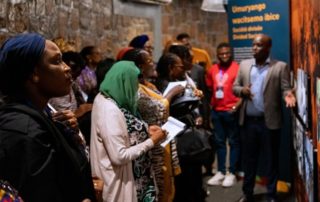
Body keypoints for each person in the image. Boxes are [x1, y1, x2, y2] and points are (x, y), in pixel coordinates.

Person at [0, 33, 96, 202]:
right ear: (33, 74)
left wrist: (70, 134)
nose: (67, 68)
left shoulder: (43, 114)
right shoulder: (25, 132)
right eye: (57, 61)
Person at [90, 61, 167, 202]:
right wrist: (152, 141)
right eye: (133, 84)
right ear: (124, 82)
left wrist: (145, 130)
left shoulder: (109, 98)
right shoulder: (109, 110)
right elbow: (119, 156)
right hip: (121, 185)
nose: (136, 89)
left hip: (137, 177)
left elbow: (122, 132)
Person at [233, 34, 296, 202]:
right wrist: (242, 91)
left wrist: (288, 95)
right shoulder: (245, 65)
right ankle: (247, 193)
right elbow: (235, 87)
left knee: (271, 161)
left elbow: (285, 88)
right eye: (253, 45)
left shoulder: (279, 67)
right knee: (249, 161)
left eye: (259, 45)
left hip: (269, 123)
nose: (254, 48)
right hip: (248, 123)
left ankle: (271, 195)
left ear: (268, 48)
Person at [121, 48, 184, 202]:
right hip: (151, 143)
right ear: (140, 67)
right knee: (158, 184)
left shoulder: (148, 84)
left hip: (162, 138)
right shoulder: (133, 87)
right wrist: (172, 93)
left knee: (167, 184)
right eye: (149, 61)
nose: (153, 64)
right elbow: (157, 109)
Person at [206, 42, 241, 187]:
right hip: (217, 111)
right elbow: (209, 88)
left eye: (227, 53)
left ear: (231, 53)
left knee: (233, 142)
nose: (224, 56)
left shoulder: (237, 68)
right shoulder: (213, 69)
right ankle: (220, 171)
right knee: (219, 143)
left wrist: (236, 105)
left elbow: (243, 89)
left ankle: (231, 172)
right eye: (221, 54)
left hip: (231, 111)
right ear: (217, 55)